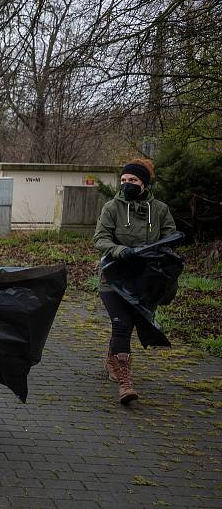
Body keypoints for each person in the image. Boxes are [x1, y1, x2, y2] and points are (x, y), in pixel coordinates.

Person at [93, 158, 176, 405]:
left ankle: (112, 360)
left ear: (144, 183)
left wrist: (158, 252)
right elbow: (100, 238)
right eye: (124, 180)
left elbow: (170, 238)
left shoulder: (160, 210)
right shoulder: (111, 207)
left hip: (143, 280)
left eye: (133, 180)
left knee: (129, 326)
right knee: (121, 325)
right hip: (113, 277)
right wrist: (119, 251)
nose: (127, 183)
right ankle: (125, 382)